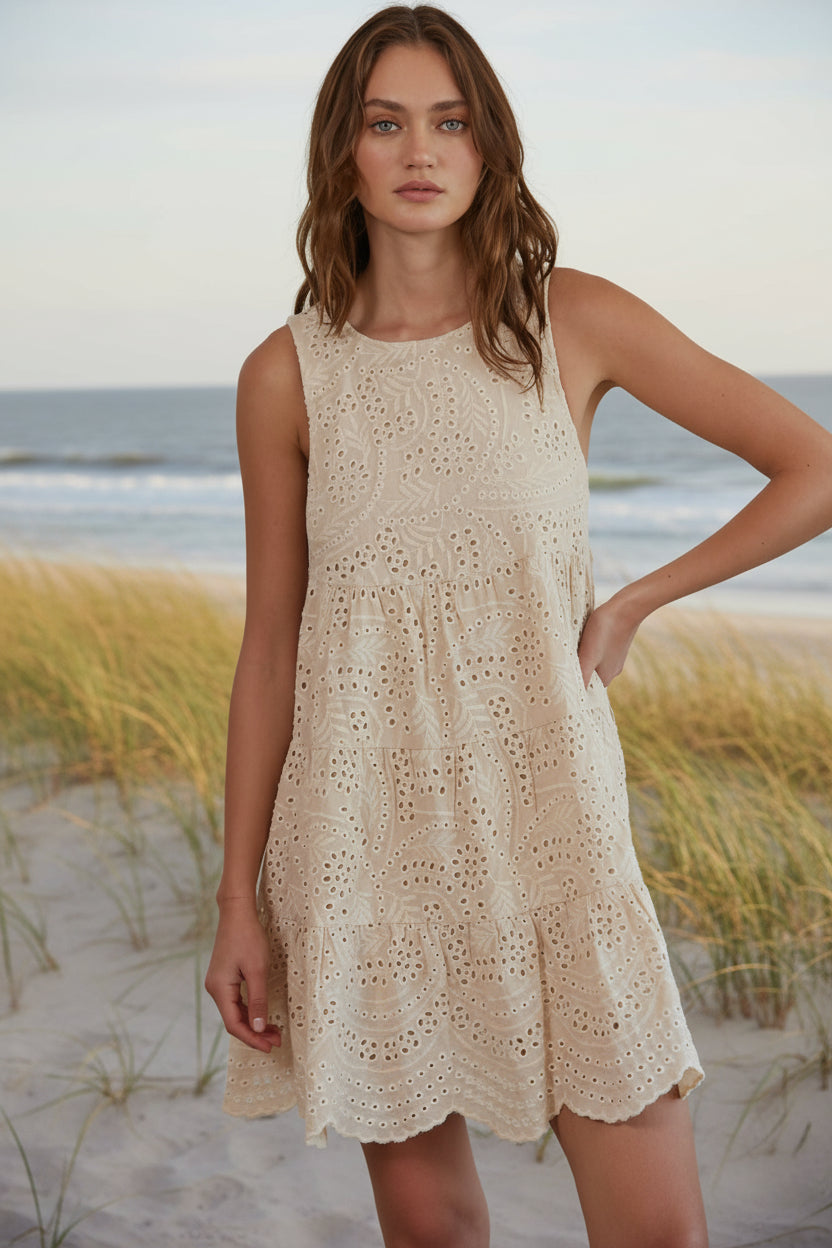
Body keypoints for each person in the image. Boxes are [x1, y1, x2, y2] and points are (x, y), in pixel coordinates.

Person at [204, 6, 832, 1246]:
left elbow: (810, 467)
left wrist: (635, 599)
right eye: (386, 123)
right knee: (432, 1230)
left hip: (555, 819)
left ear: (489, 144)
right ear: (342, 151)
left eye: (450, 121)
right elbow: (270, 648)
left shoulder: (571, 318)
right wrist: (238, 898)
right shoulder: (286, 373)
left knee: (656, 1229)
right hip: (359, 834)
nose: (419, 151)